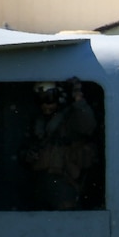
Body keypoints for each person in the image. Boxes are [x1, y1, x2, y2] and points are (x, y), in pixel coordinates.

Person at [21, 78, 98, 210]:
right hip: (42, 183)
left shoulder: (70, 118)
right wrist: (28, 155)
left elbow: (88, 126)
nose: (45, 105)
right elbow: (24, 148)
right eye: (40, 100)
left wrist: (79, 101)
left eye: (49, 98)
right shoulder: (39, 123)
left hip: (66, 181)